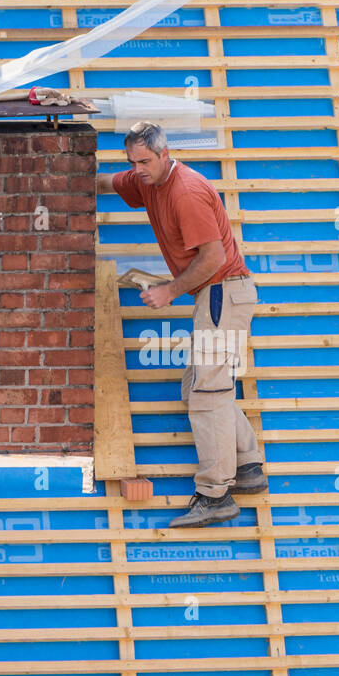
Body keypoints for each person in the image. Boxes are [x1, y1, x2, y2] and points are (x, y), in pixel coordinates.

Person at [96, 121, 267, 527]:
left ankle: (215, 495)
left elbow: (213, 259)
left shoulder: (185, 191)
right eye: (132, 161)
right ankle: (248, 467)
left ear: (165, 154)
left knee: (207, 393)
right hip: (218, 296)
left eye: (145, 161)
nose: (138, 169)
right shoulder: (146, 179)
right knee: (202, 387)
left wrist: (168, 291)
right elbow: (107, 183)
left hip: (223, 291)